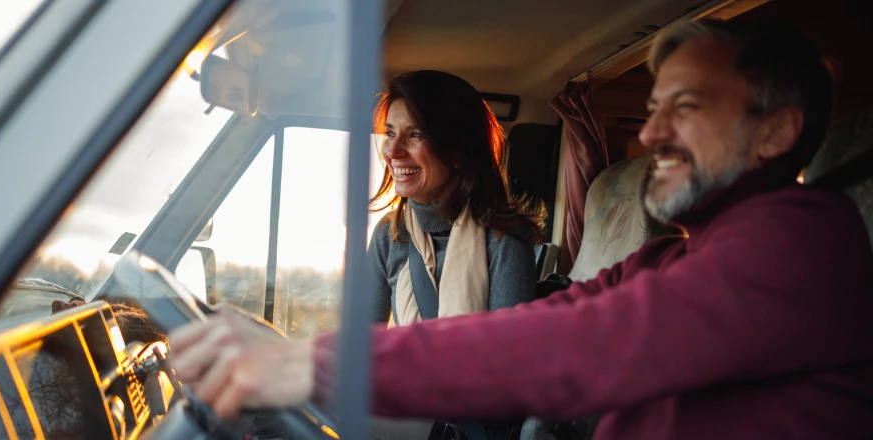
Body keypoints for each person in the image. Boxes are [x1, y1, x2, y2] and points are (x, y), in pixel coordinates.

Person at [167, 19, 873, 439]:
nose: (652, 131)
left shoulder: (807, 243)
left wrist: (309, 367)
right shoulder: (666, 260)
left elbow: (580, 347)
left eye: (684, 107)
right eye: (652, 107)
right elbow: (567, 315)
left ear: (776, 130)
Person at [368, 70, 544, 327]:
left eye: (415, 134)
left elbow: (507, 355)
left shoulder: (504, 238)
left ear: (458, 152)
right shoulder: (389, 233)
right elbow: (361, 346)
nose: (392, 151)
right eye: (391, 133)